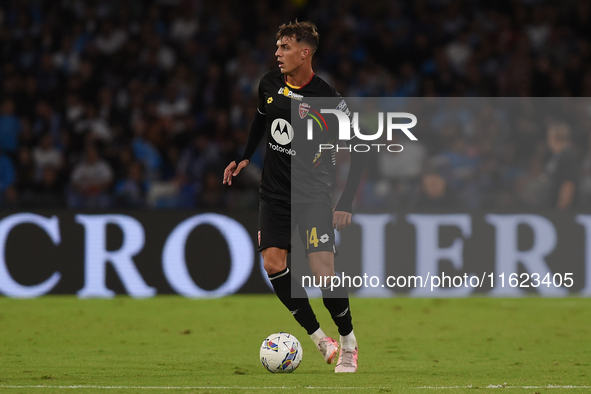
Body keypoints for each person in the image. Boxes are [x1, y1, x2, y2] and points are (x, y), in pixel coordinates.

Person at [223, 21, 366, 373]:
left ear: (305, 52)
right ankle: (319, 338)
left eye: (284, 47)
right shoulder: (269, 84)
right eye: (277, 47)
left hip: (314, 197)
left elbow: (361, 151)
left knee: (322, 273)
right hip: (274, 195)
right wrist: (244, 156)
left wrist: (345, 201)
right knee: (273, 263)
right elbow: (260, 120)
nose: (277, 53)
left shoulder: (329, 100)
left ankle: (348, 341)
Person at [544, 123, 577, 210]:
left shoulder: (567, 157)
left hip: (559, 211)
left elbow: (568, 184)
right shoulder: (557, 156)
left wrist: (561, 209)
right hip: (550, 207)